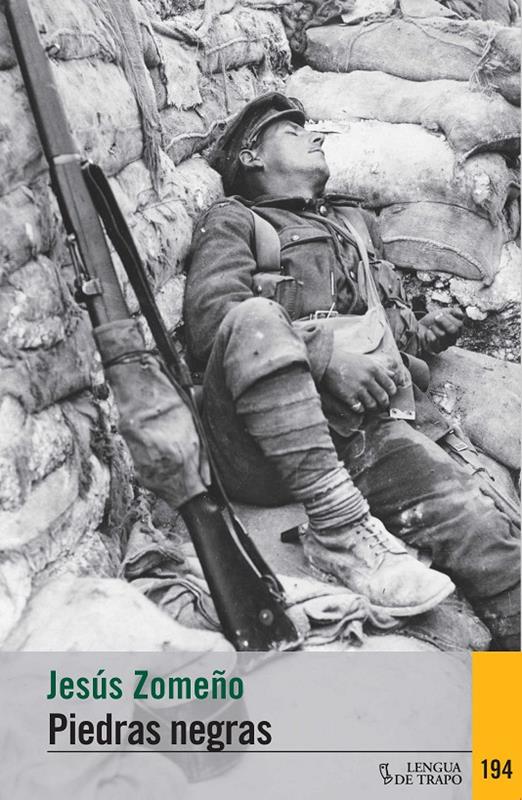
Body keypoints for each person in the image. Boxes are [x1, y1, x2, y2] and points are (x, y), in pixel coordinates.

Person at [183, 92, 520, 649]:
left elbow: (383, 331)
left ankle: (503, 707)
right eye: (293, 132)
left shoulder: (355, 225)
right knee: (256, 316)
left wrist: (424, 333)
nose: (314, 136)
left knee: (491, 539)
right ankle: (337, 526)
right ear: (251, 156)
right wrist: (325, 360)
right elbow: (213, 325)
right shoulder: (238, 222)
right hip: (260, 439)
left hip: (364, 430)